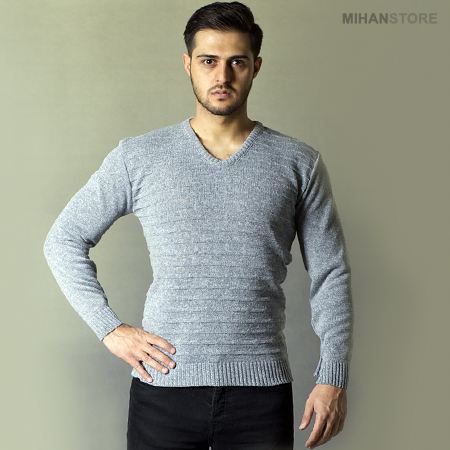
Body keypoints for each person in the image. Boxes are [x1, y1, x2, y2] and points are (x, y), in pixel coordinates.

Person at [44, 2, 354, 449]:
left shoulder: (298, 163)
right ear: (188, 64)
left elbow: (331, 272)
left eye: (237, 62)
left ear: (256, 67)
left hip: (260, 396)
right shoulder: (139, 157)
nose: (222, 76)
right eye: (209, 61)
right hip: (162, 391)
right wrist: (111, 330)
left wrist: (333, 376)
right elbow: (63, 240)